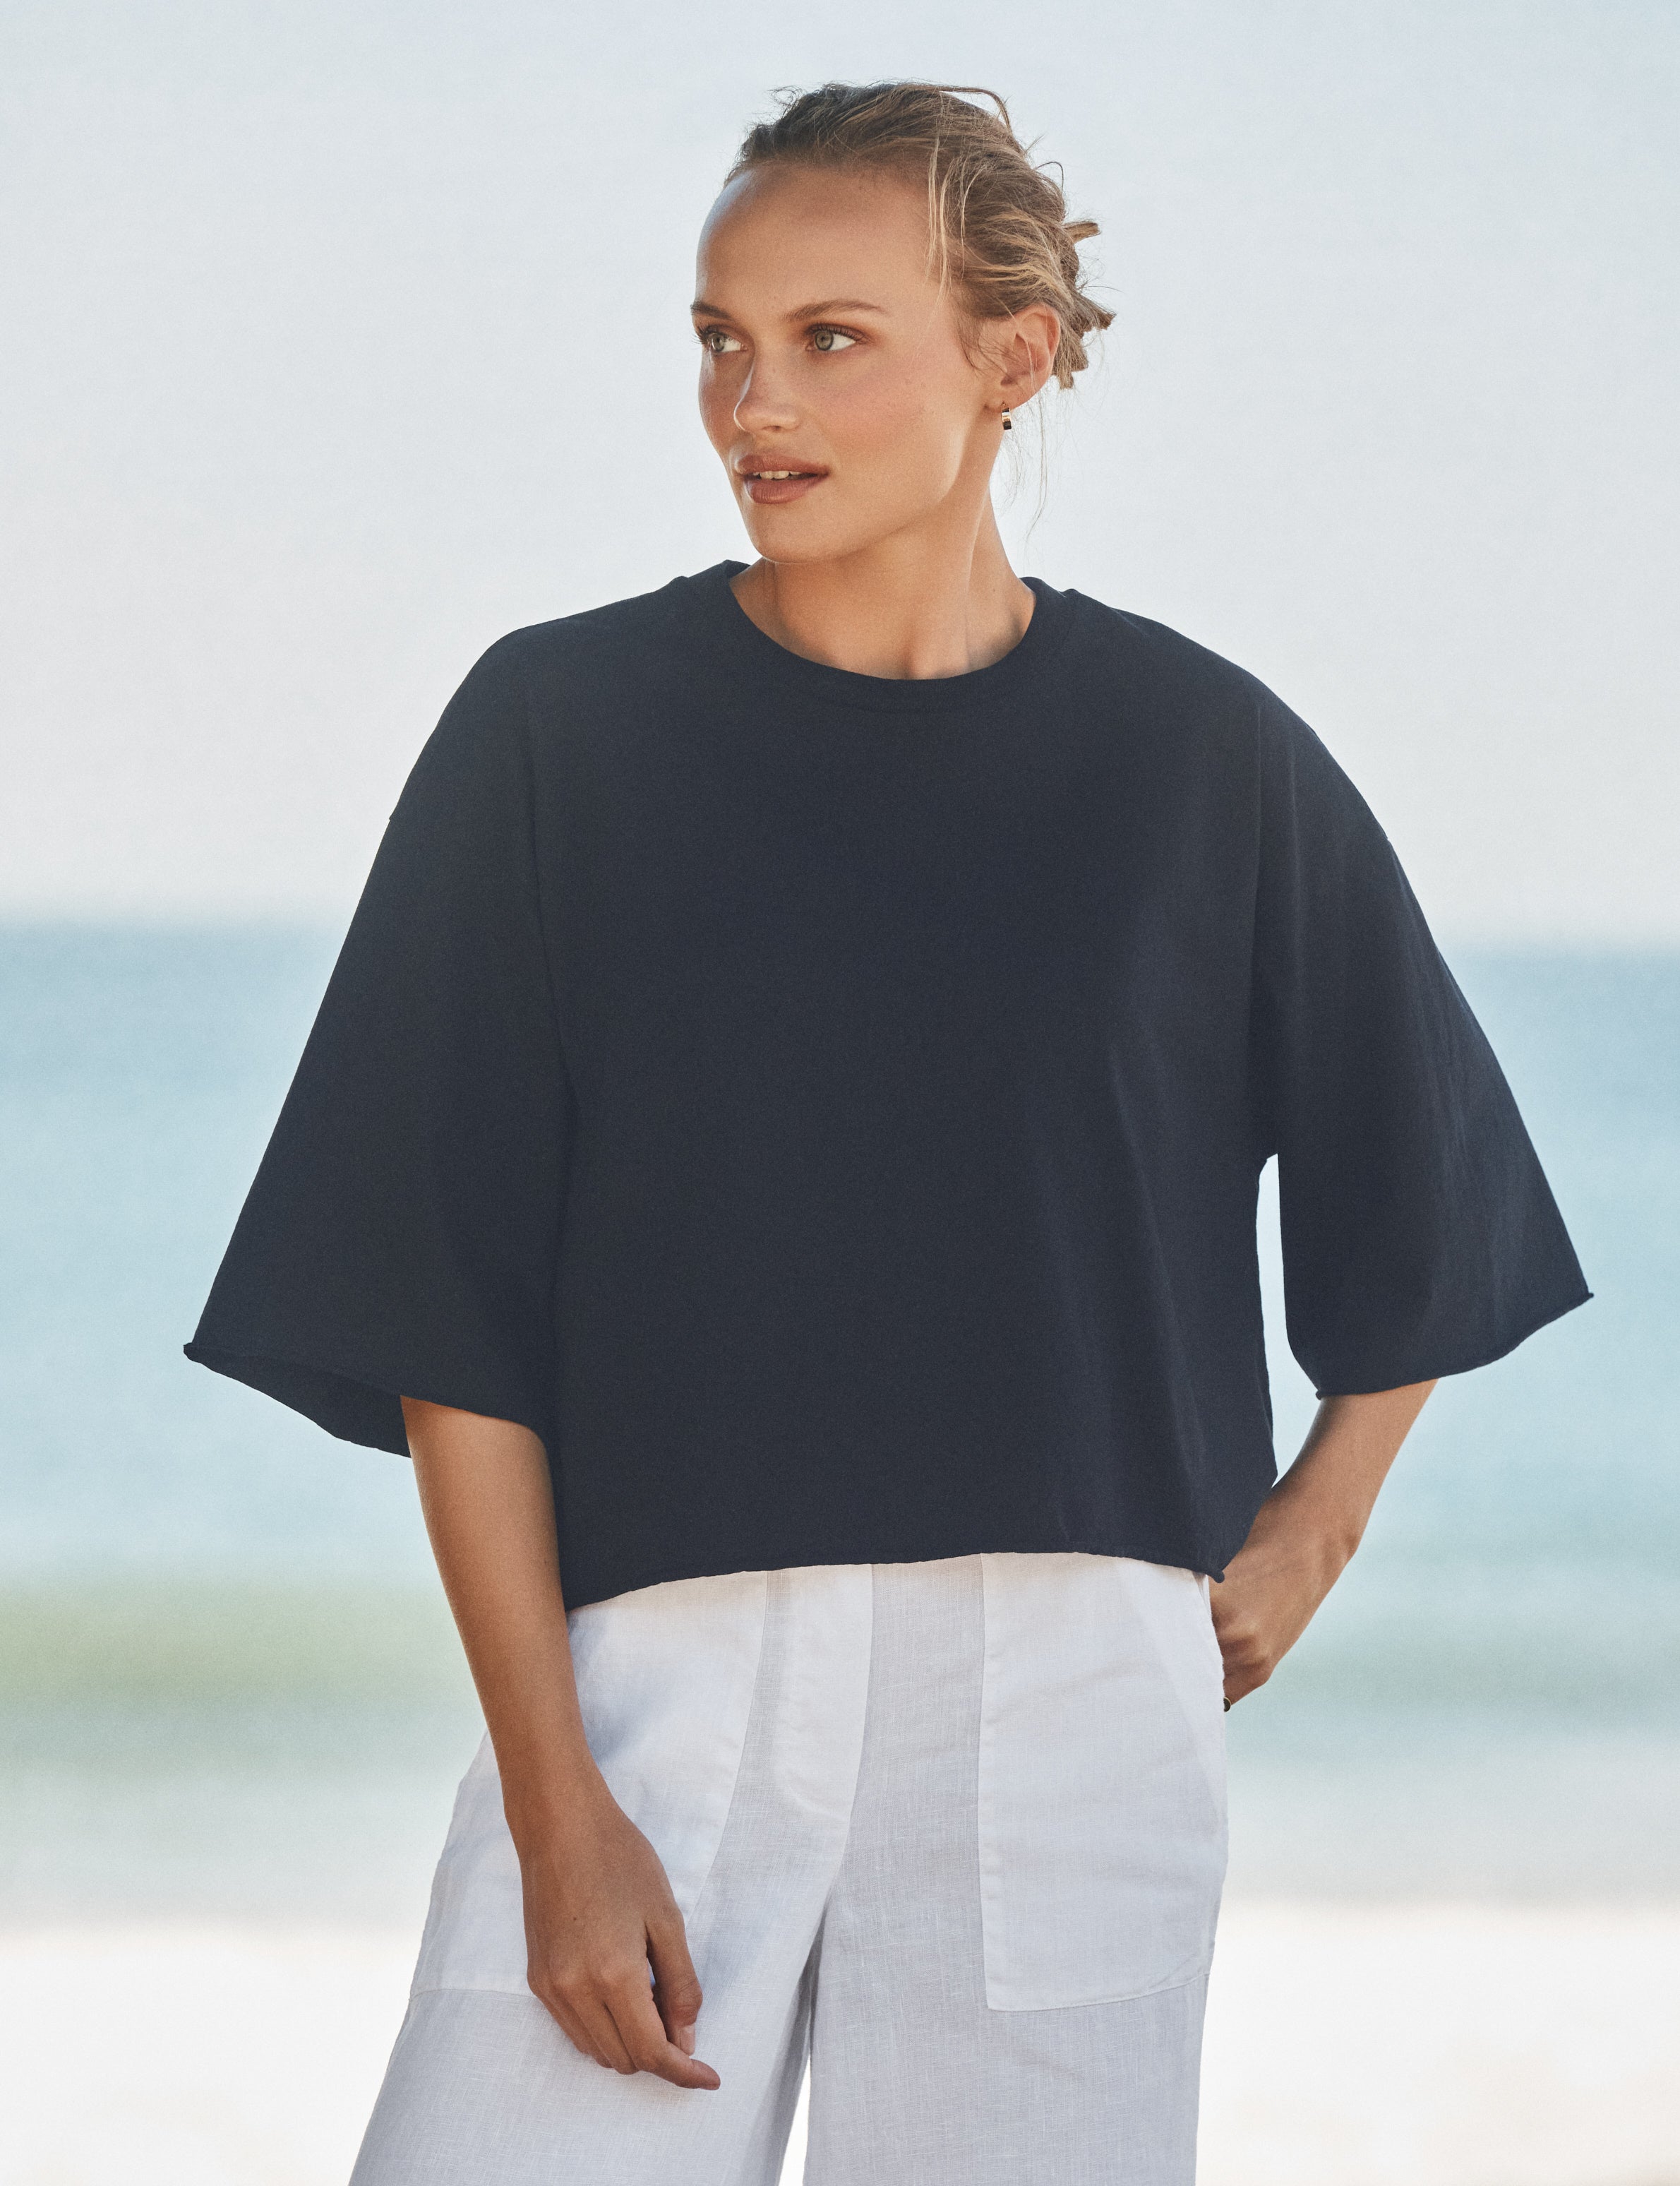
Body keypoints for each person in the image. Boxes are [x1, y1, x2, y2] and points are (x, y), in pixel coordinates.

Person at [184, 78, 1591, 2186]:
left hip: (1071, 1711)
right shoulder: (556, 737)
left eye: (828, 336)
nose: (754, 397)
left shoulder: (1201, 761)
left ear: (1007, 360)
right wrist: (559, 1811)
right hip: (655, 1696)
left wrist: (1314, 1527)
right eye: (718, 338)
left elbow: (1434, 1182)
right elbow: (440, 1310)